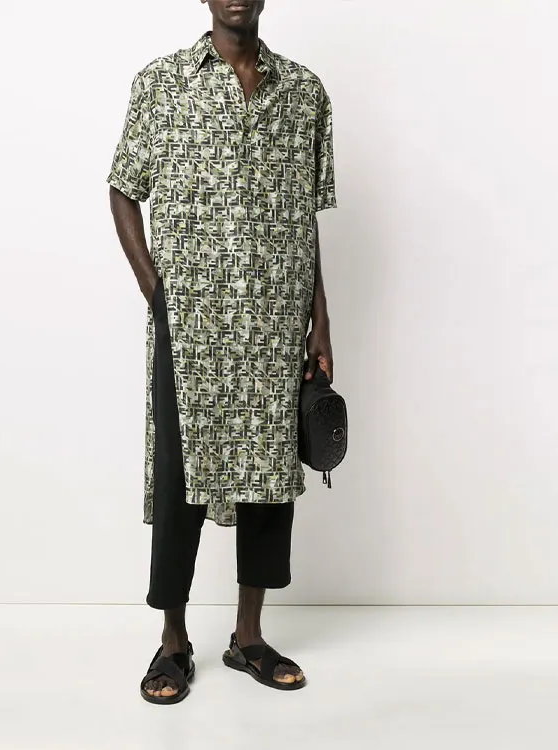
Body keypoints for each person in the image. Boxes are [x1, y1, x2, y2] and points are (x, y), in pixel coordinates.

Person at [107, 0, 336, 705]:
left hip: (276, 318)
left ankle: (249, 636)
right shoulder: (161, 82)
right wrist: (157, 293)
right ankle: (173, 640)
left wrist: (320, 321)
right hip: (192, 320)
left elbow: (305, 219)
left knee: (268, 476)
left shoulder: (305, 92)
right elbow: (122, 190)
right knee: (182, 476)